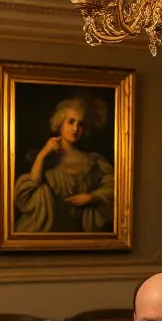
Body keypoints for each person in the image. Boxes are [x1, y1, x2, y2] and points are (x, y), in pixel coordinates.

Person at [14, 97, 115, 233]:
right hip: (48, 234)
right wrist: (43, 153)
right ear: (60, 124)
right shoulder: (45, 158)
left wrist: (91, 197)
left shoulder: (93, 162)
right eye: (71, 122)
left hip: (81, 236)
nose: (75, 129)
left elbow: (114, 188)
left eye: (80, 124)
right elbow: (32, 185)